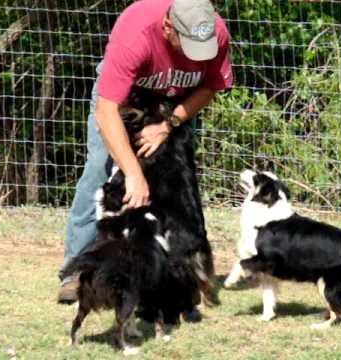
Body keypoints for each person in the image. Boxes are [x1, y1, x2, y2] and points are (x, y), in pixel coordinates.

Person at [57, 0, 234, 305]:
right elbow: (106, 112)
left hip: (177, 103)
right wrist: (134, 174)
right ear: (168, 27)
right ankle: (79, 270)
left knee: (178, 183)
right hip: (123, 99)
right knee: (100, 170)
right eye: (190, 45)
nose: (198, 54)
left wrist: (169, 123)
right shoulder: (136, 32)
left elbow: (210, 86)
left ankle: (179, 272)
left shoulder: (214, 33)